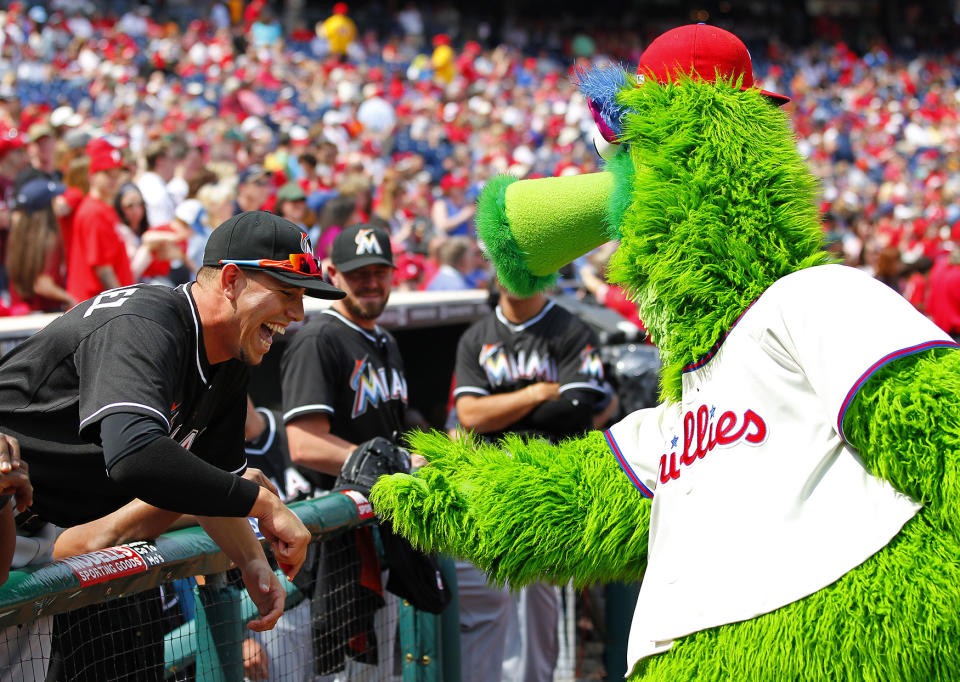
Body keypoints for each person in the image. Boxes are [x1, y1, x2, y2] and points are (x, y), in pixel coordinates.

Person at [0, 211, 343, 680]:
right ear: (231, 279)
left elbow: (211, 480)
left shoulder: (228, 354)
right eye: (286, 292)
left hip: (38, 534)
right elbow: (135, 455)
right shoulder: (148, 320)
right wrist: (259, 503)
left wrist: (250, 561)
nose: (298, 313)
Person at [452, 280, 608, 682]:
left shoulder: (571, 329)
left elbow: (577, 410)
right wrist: (538, 393)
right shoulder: (477, 336)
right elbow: (469, 415)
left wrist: (497, 415)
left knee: (545, 606)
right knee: (494, 602)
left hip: (551, 491)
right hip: (492, 491)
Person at [280, 222, 410, 679]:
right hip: (331, 548)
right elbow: (304, 442)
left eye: (380, 272)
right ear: (332, 273)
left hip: (376, 531)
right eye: (358, 275)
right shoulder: (319, 337)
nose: (371, 284)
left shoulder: (385, 340)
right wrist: (386, 464)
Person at [65, 138, 134, 303]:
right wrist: (124, 304)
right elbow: (103, 269)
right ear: (92, 176)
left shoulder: (104, 207)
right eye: (108, 174)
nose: (114, 179)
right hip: (95, 306)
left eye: (117, 174)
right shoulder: (93, 211)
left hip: (101, 305)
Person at [5, 178, 75, 312]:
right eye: (54, 200)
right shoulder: (49, 239)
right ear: (46, 208)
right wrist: (72, 300)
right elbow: (43, 284)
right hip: (45, 314)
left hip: (21, 313)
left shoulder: (16, 236)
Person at [136, 140, 178, 228]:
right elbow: (161, 229)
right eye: (172, 160)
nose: (175, 165)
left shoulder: (151, 183)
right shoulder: (155, 189)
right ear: (160, 161)